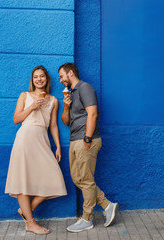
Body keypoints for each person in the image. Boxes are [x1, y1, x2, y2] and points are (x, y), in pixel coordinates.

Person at [5, 66, 67, 235]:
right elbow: (16, 119)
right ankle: (30, 223)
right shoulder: (24, 96)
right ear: (32, 81)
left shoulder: (54, 100)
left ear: (47, 79)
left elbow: (53, 125)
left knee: (54, 177)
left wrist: (58, 146)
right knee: (22, 180)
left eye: (42, 77)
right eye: (35, 77)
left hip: (42, 141)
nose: (39, 79)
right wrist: (32, 107)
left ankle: (26, 211)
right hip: (25, 139)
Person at [58, 63, 118, 232]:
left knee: (85, 179)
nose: (61, 80)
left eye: (62, 76)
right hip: (74, 139)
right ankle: (107, 205)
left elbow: (93, 113)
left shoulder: (85, 88)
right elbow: (65, 121)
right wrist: (67, 105)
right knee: (79, 178)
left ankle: (87, 218)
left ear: (70, 73)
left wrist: (87, 138)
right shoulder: (71, 93)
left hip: (86, 140)